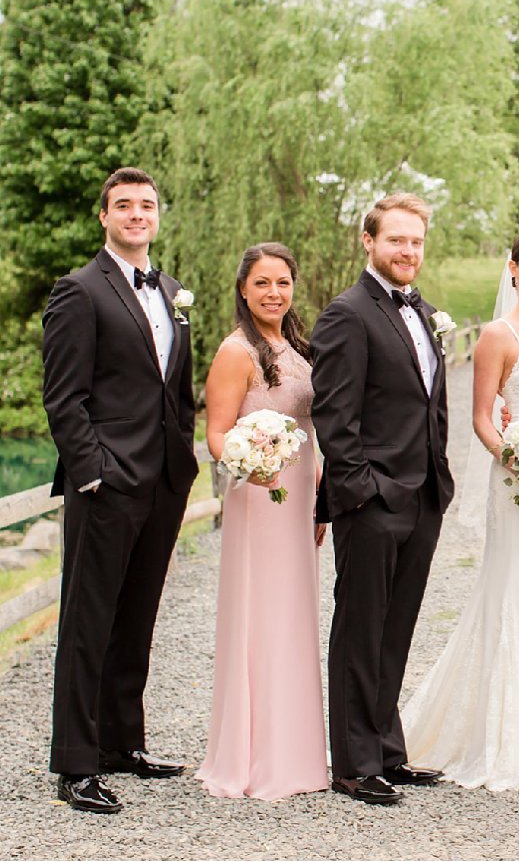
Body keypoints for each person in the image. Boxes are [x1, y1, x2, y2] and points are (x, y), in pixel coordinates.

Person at [400, 229, 519, 790]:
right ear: (513, 269)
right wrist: (517, 457)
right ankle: (511, 736)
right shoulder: (497, 334)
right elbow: (482, 416)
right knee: (516, 591)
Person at [41, 166, 198, 814]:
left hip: (161, 480)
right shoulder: (79, 291)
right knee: (88, 623)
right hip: (107, 484)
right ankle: (76, 765)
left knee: (136, 618)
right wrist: (92, 472)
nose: (138, 214)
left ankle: (122, 744)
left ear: (158, 216)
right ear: (104, 217)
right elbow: (63, 397)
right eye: (125, 205)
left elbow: (175, 388)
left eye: (148, 205)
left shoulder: (169, 289)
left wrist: (181, 459)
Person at [310, 193, 454, 805]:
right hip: (372, 500)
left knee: (396, 630)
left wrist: (435, 480)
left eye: (416, 241)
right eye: (396, 239)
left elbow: (427, 401)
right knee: (360, 630)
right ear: (368, 242)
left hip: (422, 495)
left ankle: (387, 751)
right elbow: (335, 417)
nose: (408, 251)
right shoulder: (348, 314)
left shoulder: (418, 311)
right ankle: (352, 762)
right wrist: (362, 491)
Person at [196, 243, 328, 800]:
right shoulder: (235, 352)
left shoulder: (296, 345)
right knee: (261, 615)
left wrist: (320, 485)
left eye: (283, 283)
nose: (274, 293)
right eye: (262, 284)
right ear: (243, 289)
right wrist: (252, 465)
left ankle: (296, 754)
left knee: (295, 614)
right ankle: (255, 758)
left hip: (301, 494)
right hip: (261, 495)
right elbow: (218, 432)